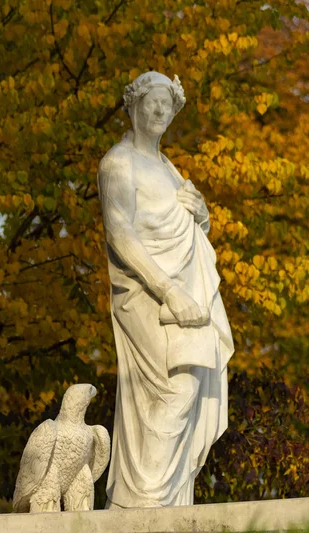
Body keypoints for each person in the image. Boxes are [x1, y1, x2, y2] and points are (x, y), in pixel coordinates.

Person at [97, 71, 234, 508]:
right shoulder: (118, 162)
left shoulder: (170, 169)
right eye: (150, 102)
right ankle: (143, 504)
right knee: (171, 387)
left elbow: (187, 232)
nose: (158, 111)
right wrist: (167, 290)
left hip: (185, 291)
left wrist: (204, 214)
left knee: (188, 383)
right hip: (146, 291)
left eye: (166, 105)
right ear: (133, 105)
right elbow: (120, 234)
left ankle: (164, 504)